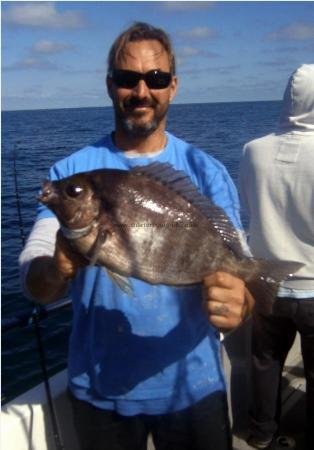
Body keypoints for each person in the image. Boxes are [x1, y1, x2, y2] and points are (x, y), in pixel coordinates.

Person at [20, 22, 254, 450]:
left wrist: (244, 301)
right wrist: (56, 268)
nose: (142, 91)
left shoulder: (208, 172)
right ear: (111, 85)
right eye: (128, 78)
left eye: (157, 78)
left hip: (195, 387)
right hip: (100, 393)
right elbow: (35, 283)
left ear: (173, 86)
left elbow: (241, 271)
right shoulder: (70, 174)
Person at [239, 64, 314, 450]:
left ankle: (261, 432)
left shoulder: (253, 150)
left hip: (265, 282)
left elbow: (246, 209)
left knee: (264, 361)